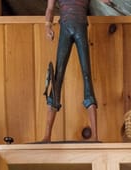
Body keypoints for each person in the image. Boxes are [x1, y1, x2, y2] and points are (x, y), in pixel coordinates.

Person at [42, 0, 112, 142]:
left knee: (87, 75)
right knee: (57, 78)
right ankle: (47, 136)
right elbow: (49, 9)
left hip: (80, 29)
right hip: (65, 30)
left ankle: (95, 136)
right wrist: (47, 26)